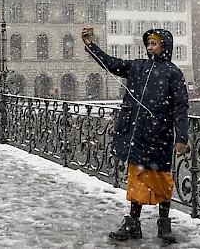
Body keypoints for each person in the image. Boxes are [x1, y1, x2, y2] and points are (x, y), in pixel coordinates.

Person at [82, 27, 189, 243]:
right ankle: (133, 223)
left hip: (160, 136)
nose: (150, 47)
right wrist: (91, 46)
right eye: (148, 44)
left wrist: (181, 138)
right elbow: (112, 64)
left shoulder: (173, 72)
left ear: (164, 46)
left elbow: (181, 107)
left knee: (162, 180)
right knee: (137, 179)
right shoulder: (138, 67)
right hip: (137, 135)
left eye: (155, 43)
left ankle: (164, 223)